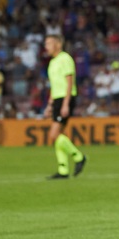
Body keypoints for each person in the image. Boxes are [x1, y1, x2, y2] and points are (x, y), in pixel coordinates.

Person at [43, 34, 87, 180]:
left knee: (53, 135)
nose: (46, 46)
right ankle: (63, 170)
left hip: (64, 98)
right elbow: (54, 85)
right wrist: (49, 105)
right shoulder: (52, 62)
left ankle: (78, 156)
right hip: (56, 99)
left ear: (58, 44)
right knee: (57, 136)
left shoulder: (65, 58)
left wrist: (66, 103)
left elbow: (70, 82)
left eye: (49, 43)